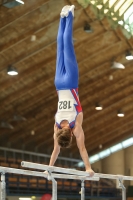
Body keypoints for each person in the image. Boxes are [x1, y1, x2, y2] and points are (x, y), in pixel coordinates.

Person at [49, 5, 94, 176]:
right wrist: (49, 168)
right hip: (58, 83)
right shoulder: (57, 125)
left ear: (72, 136)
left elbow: (82, 149)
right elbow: (55, 151)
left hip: (71, 81)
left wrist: (88, 168)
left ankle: (70, 15)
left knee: (67, 45)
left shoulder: (76, 126)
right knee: (60, 47)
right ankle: (62, 17)